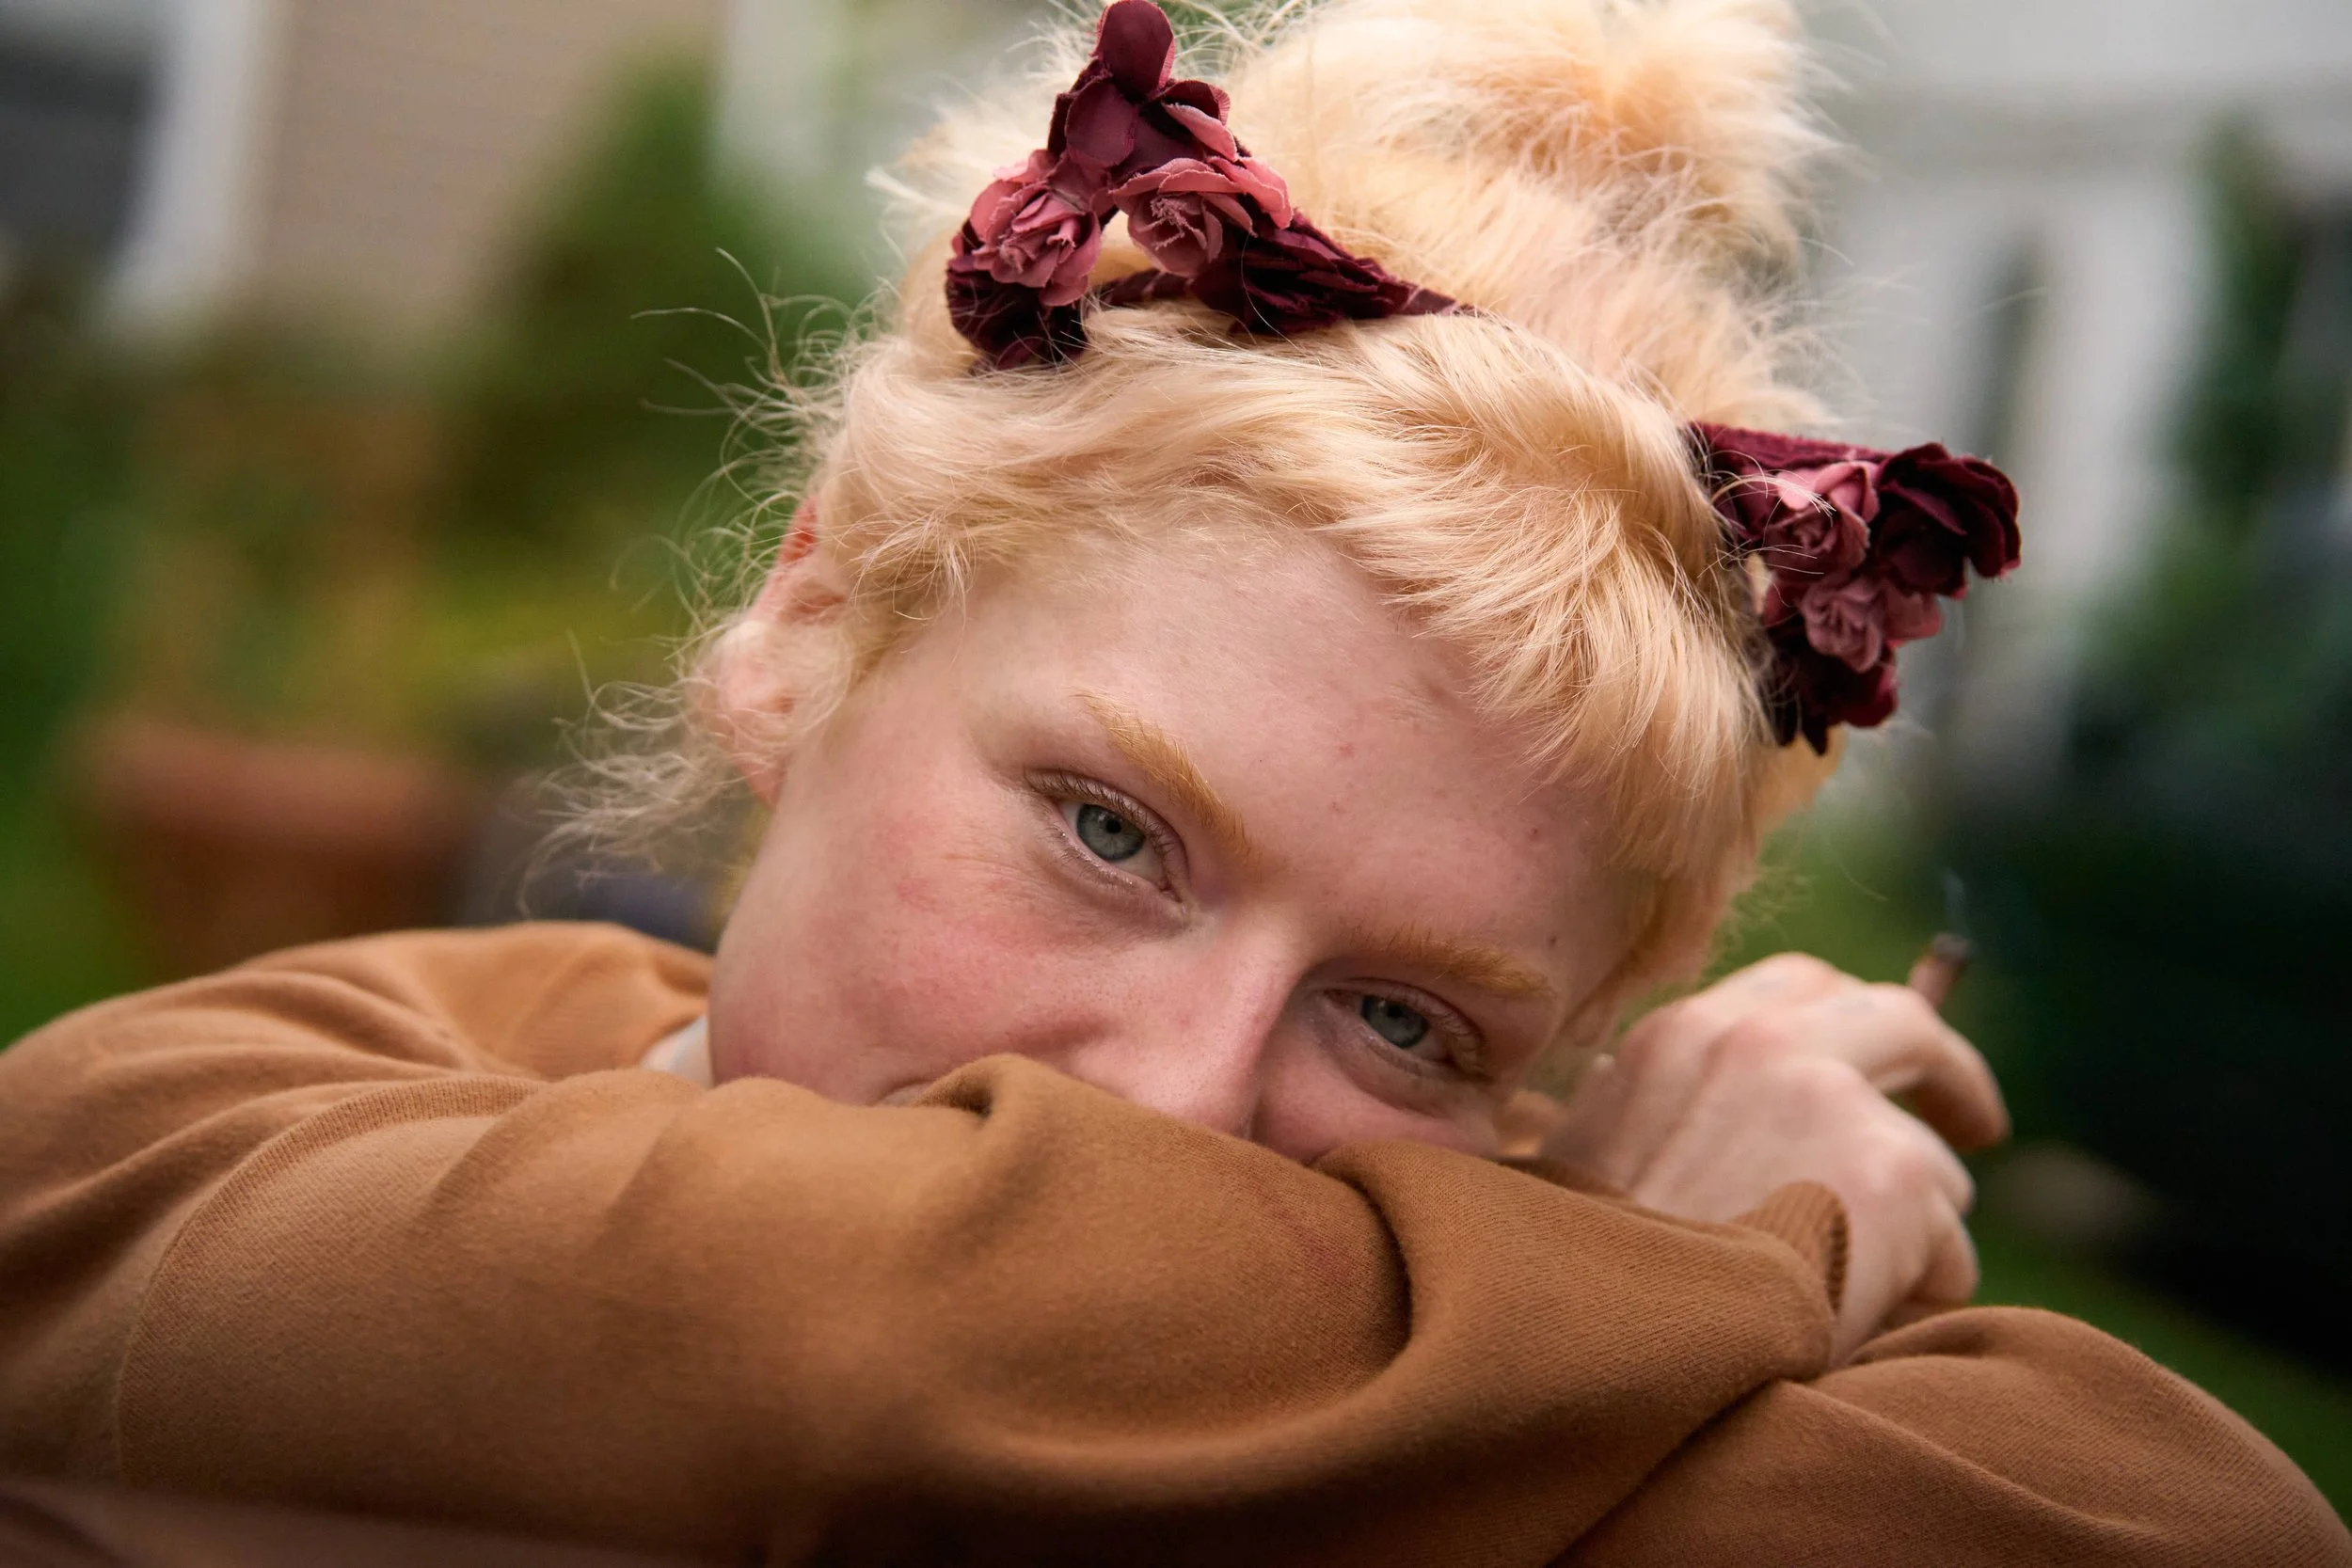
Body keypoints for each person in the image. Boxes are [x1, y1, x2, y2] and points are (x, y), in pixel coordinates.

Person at [0, 0, 2344, 1561]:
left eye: (1410, 1020)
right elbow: (828, 1325)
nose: (1174, 1102)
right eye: (1112, 831)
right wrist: (1678, 1266)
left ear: (1568, 1069)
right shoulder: (262, 1131)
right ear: (812, 625)